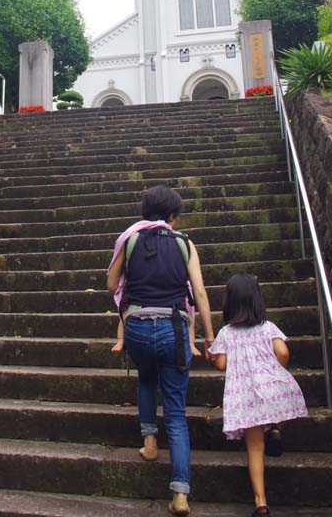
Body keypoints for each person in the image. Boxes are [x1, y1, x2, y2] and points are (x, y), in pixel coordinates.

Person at [107, 184, 214, 516]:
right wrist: (209, 336)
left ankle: (150, 442)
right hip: (174, 328)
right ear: (172, 216)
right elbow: (198, 290)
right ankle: (180, 493)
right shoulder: (184, 244)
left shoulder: (132, 239)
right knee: (177, 413)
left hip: (138, 325)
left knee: (145, 380)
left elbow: (112, 285)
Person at [208, 273, 308, 517]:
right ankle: (274, 428)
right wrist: (275, 367)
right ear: (257, 300)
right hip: (270, 388)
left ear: (229, 302)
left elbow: (221, 364)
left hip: (245, 398)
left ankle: (260, 502)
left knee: (254, 448)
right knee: (278, 404)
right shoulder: (268, 327)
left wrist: (215, 356)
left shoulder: (226, 333)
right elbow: (283, 353)